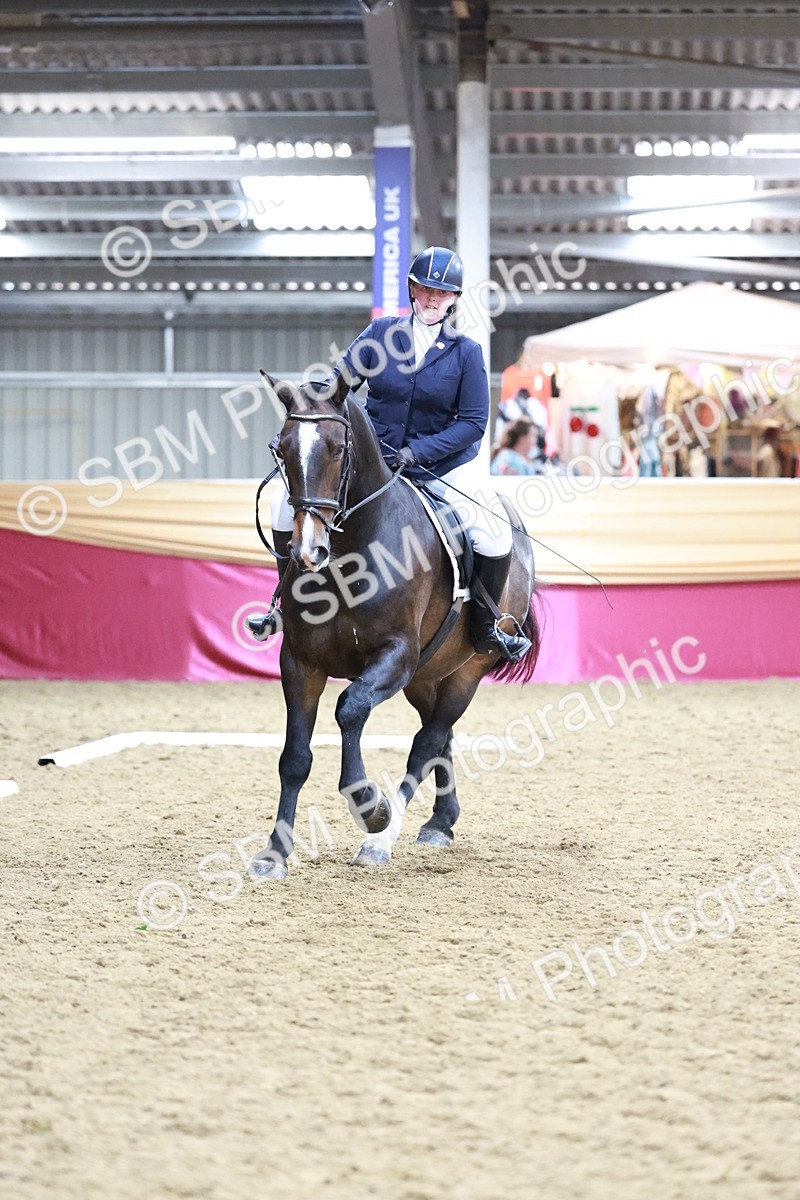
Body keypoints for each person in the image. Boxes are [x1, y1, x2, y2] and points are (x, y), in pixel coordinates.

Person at [270, 245, 531, 663]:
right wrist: (312, 402)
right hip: (376, 465)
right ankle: (286, 608)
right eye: (426, 288)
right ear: (412, 288)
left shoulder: (467, 353)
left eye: (442, 293)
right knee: (284, 511)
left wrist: (417, 451)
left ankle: (484, 625)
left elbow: (473, 425)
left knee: (492, 532)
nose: (432, 298)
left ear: (453, 300)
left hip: (443, 469)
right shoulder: (380, 336)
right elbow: (339, 388)